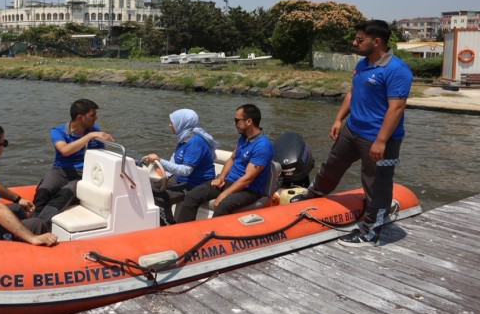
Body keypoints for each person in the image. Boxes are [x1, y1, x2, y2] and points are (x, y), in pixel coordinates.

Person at [290, 19, 413, 247]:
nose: (354, 42)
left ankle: (370, 231)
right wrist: (339, 119)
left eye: (359, 39)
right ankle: (312, 196)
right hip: (353, 129)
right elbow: (353, 92)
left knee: (376, 184)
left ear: (376, 42)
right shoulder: (363, 64)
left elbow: (396, 108)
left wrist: (381, 141)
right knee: (331, 166)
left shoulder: (397, 70)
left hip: (379, 138)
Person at [175, 104, 274, 223]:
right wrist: (221, 177)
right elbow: (232, 159)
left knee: (223, 204)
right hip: (229, 182)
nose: (234, 123)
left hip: (249, 190)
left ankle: (212, 235)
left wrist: (224, 194)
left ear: (248, 121)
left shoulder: (262, 146)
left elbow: (248, 178)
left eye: (237, 120)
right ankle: (183, 231)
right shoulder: (244, 138)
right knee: (193, 195)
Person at [33, 99, 114, 222]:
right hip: (61, 171)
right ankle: (31, 218)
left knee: (66, 193)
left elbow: (103, 156)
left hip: (83, 173)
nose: (96, 118)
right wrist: (90, 136)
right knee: (44, 190)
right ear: (80, 117)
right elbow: (65, 150)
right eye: (93, 115)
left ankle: (40, 223)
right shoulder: (58, 131)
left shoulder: (94, 129)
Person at [143, 108, 218, 224]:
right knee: (147, 188)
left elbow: (186, 170)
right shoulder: (184, 138)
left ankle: (169, 225)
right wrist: (167, 175)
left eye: (172, 122)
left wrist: (160, 161)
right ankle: (165, 222)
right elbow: (175, 158)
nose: (169, 125)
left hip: (195, 183)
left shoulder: (195, 142)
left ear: (181, 123)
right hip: (181, 180)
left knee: (158, 196)